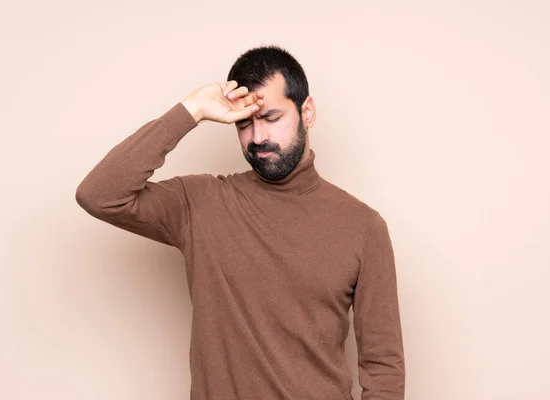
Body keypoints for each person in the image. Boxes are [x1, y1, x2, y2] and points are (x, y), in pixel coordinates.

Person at [75, 45, 405, 400]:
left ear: (306, 112)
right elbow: (99, 194)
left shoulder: (363, 227)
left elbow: (383, 367)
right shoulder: (200, 203)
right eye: (244, 124)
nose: (258, 138)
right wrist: (193, 109)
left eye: (272, 118)